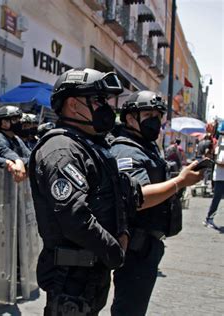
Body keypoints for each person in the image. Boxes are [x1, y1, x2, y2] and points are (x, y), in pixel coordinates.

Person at [29, 68, 142, 315]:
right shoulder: (62, 149)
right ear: (73, 104)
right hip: (71, 277)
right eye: (99, 100)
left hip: (92, 272)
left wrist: (121, 232)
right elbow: (74, 217)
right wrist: (114, 250)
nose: (107, 107)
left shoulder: (92, 146)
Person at [109, 90, 203, 316]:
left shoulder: (146, 147)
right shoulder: (126, 150)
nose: (155, 120)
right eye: (148, 113)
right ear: (130, 117)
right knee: (129, 309)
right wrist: (180, 182)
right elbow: (138, 198)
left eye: (158, 115)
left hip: (148, 245)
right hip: (135, 247)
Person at [203, 131, 224, 229]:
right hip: (220, 177)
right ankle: (208, 219)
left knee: (217, 198)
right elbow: (219, 162)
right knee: (217, 199)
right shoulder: (221, 145)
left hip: (220, 176)